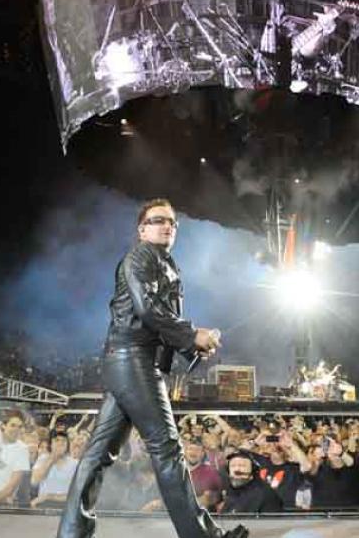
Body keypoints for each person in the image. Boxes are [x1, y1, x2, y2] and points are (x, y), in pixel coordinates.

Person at [57, 198, 247, 538]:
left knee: (99, 452)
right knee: (167, 448)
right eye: (158, 220)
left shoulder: (165, 262)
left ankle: (72, 532)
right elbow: (147, 310)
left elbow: (157, 319)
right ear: (142, 229)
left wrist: (192, 346)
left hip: (129, 360)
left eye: (172, 222)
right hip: (133, 360)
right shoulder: (140, 257)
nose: (167, 226)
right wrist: (192, 335)